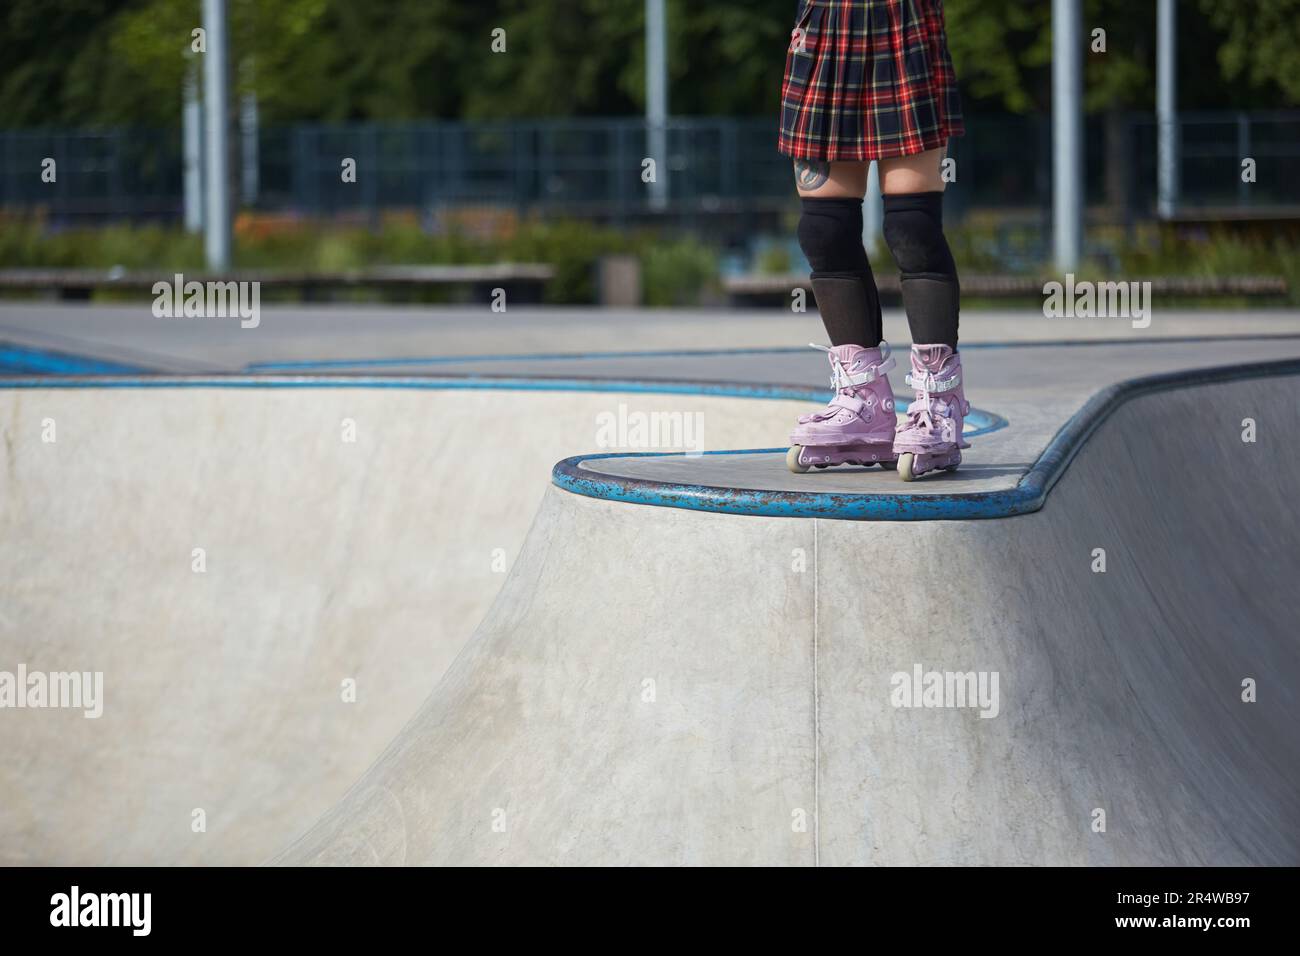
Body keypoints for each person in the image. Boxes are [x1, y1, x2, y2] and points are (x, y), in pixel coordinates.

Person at [779, 0, 969, 482]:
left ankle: (939, 405)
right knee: (824, 230)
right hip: (826, 27)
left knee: (912, 228)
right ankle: (865, 403)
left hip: (900, 22)